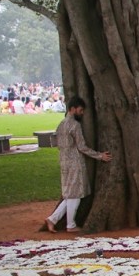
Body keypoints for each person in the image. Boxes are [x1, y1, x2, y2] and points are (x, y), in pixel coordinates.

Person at [44, 97, 113, 233]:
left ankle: (53, 219)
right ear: (73, 109)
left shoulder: (61, 124)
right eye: (80, 110)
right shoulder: (75, 125)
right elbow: (82, 147)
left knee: (70, 194)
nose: (82, 113)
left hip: (64, 162)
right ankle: (70, 225)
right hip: (75, 163)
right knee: (75, 195)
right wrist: (100, 156)